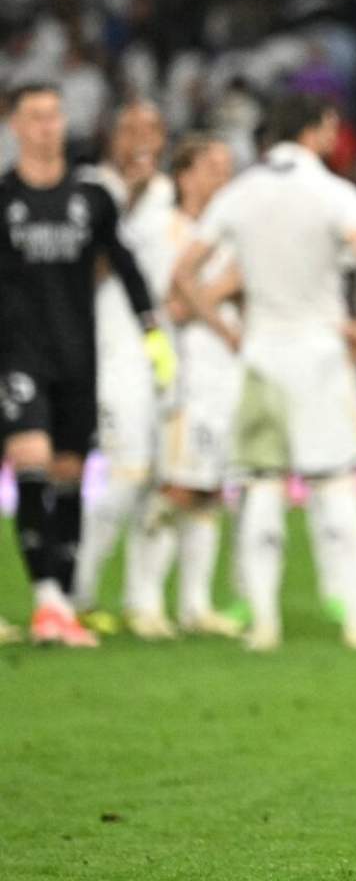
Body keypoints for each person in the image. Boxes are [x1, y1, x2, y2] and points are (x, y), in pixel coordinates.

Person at [173, 94, 356, 654]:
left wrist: (228, 330)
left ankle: (264, 624)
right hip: (321, 352)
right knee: (335, 487)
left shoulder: (240, 194)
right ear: (317, 127)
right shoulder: (333, 192)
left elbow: (185, 273)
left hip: (261, 355)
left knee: (260, 488)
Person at [0, 83, 171, 648]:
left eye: (54, 115)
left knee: (70, 474)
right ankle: (49, 599)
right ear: (16, 126)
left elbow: (123, 262)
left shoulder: (90, 197)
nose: (47, 126)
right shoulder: (4, 198)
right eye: (35, 117)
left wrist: (153, 334)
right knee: (32, 458)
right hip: (19, 354)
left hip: (78, 353)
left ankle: (64, 602)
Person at [124, 133, 246, 638]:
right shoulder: (162, 229)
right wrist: (218, 294)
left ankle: (195, 603)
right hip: (184, 375)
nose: (223, 175)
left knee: (209, 491)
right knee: (174, 486)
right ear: (184, 175)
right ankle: (143, 599)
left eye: (227, 166)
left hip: (225, 376)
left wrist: (205, 292)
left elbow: (199, 289)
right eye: (212, 166)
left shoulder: (227, 231)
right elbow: (168, 303)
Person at [71, 101, 176, 635]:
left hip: (163, 352)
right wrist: (128, 196)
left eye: (152, 129)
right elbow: (86, 266)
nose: (142, 139)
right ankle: (76, 592)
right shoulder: (88, 189)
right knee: (128, 474)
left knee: (161, 482)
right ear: (111, 135)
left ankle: (144, 601)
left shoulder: (167, 192)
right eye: (130, 128)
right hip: (110, 351)